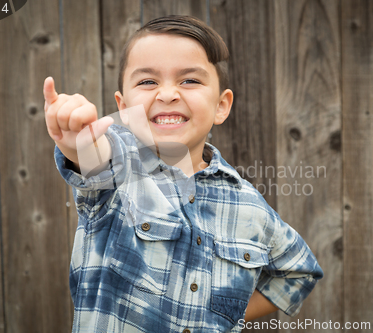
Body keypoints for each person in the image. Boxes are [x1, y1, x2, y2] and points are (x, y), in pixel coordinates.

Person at [43, 15, 323, 333]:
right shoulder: (120, 169)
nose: (167, 94)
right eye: (147, 81)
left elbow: (300, 270)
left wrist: (222, 312)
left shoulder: (247, 203)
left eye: (189, 80)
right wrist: (76, 142)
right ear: (123, 107)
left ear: (221, 105)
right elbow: (94, 160)